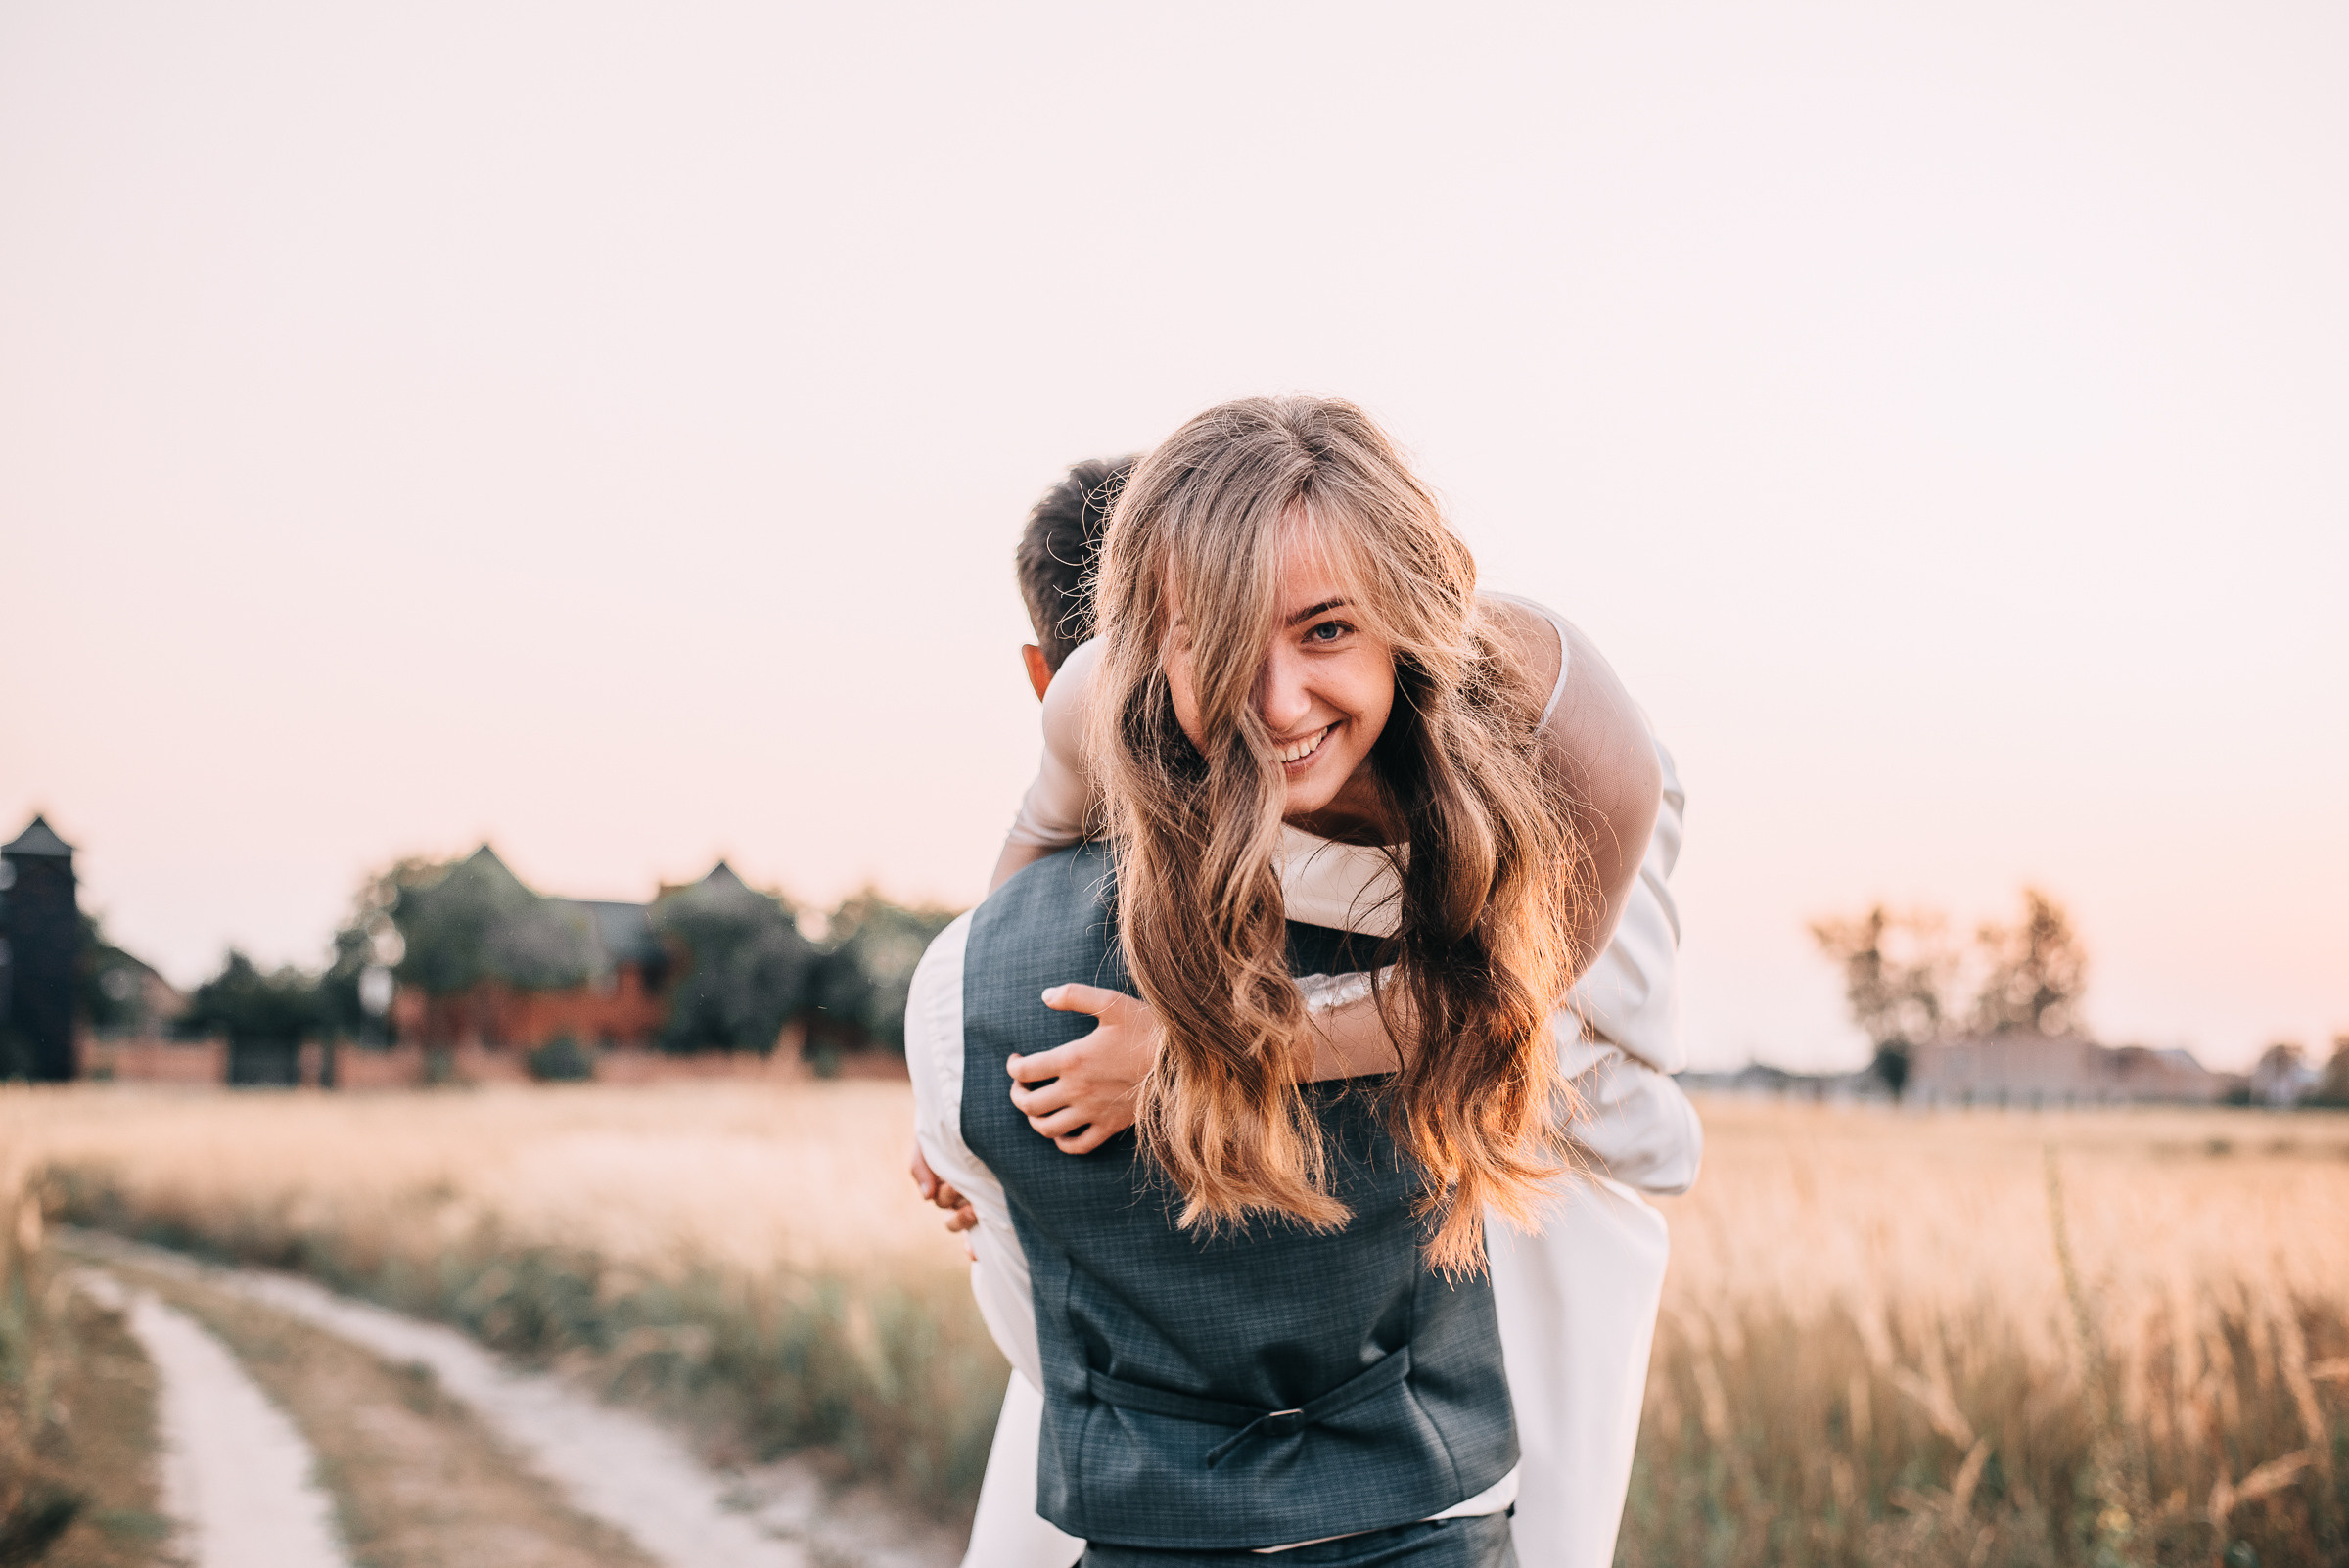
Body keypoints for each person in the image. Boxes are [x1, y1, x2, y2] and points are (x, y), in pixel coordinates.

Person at [913, 400, 1698, 1562]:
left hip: (1549, 963)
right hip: (1341, 925)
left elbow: (1497, 1008)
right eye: (1220, 642)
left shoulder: (1572, 736)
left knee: (1573, 1169)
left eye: (1327, 632)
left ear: (1402, 614)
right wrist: (960, 1087)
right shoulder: (1108, 701)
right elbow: (1029, 861)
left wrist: (1197, 1062)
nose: (1277, 703)